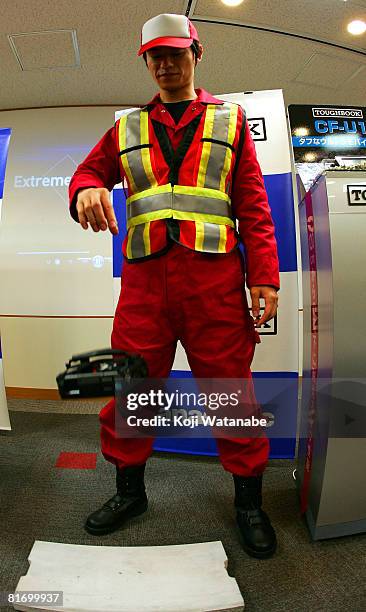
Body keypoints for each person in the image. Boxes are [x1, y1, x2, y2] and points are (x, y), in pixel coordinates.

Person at [69, 13, 280, 559]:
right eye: (154, 57)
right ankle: (130, 494)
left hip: (213, 284)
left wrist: (265, 279)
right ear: (146, 62)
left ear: (196, 53)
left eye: (175, 54)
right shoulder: (125, 128)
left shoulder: (232, 122)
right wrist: (86, 192)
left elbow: (254, 209)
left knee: (232, 394)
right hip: (144, 288)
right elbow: (87, 174)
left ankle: (249, 503)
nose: (165, 65)